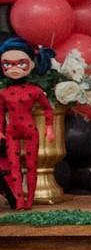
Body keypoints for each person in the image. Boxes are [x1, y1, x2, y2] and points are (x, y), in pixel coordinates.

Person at [0, 38, 57, 210]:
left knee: (32, 165)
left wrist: (49, 127)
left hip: (30, 130)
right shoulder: (3, 93)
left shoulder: (35, 91)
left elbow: (47, 109)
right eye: (7, 64)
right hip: (11, 132)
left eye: (21, 64)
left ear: (32, 64)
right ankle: (19, 201)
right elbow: (0, 113)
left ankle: (29, 200)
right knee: (14, 166)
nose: (14, 68)